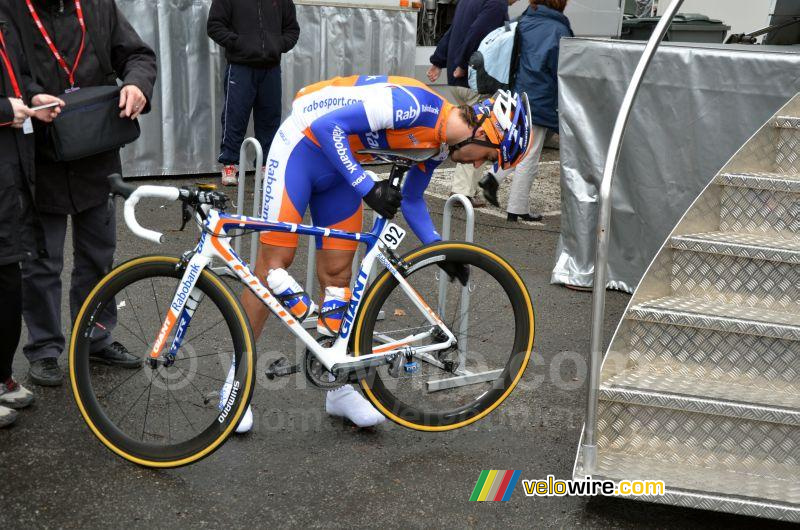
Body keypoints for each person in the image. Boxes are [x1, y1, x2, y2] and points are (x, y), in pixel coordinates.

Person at [232, 75, 532, 432]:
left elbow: (414, 199)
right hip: (301, 146)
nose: (479, 165)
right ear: (482, 133)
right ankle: (234, 388)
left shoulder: (437, 145)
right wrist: (367, 187)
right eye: (488, 156)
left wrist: (438, 249)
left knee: (339, 275)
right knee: (272, 266)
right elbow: (328, 128)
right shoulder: (413, 106)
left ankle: (339, 388)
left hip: (341, 166)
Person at [8, 0, 157, 387]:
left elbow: (138, 54)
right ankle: (44, 348)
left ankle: (96, 336)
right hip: (41, 157)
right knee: (41, 262)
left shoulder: (96, 4)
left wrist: (138, 85)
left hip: (97, 152)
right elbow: (7, 75)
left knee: (98, 254)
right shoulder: (11, 9)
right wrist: (30, 95)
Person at [0, 11, 62, 426]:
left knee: (8, 279)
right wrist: (5, 108)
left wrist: (33, 96)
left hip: (10, 170)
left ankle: (1, 376)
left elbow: (19, 71)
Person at [478, 0, 572, 222]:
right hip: (540, 98)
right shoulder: (558, 30)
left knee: (517, 145)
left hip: (518, 93)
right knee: (529, 154)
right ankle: (517, 207)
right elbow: (560, 69)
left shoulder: (524, 21)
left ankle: (492, 178)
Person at [427, 0, 518, 207]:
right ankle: (463, 192)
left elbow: (453, 31)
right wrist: (463, 64)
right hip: (473, 80)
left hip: (455, 81)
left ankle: (463, 190)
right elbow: (478, 32)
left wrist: (438, 61)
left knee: (467, 132)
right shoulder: (496, 4)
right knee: (479, 136)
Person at [207, 0, 300, 186]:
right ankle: (229, 165)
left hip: (271, 68)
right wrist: (238, 42)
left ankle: (266, 165)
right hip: (240, 66)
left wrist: (277, 45)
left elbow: (292, 30)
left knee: (270, 118)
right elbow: (214, 26)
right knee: (235, 115)